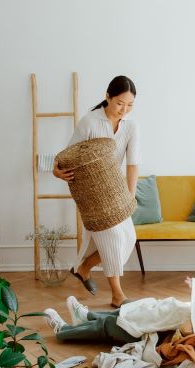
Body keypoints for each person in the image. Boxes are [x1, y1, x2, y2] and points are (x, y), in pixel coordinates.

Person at [53, 76, 140, 308]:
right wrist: (56, 171)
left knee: (129, 238)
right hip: (91, 193)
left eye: (130, 105)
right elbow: (66, 156)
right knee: (112, 239)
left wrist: (130, 196)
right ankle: (117, 295)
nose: (124, 109)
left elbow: (132, 164)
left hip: (117, 192)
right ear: (108, 96)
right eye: (120, 103)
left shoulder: (131, 126)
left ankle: (84, 267)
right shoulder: (89, 122)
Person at [44, 277, 195, 347]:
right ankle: (85, 316)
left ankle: (63, 331)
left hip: (151, 328)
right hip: (158, 310)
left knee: (110, 325)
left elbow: (190, 330)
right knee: (128, 308)